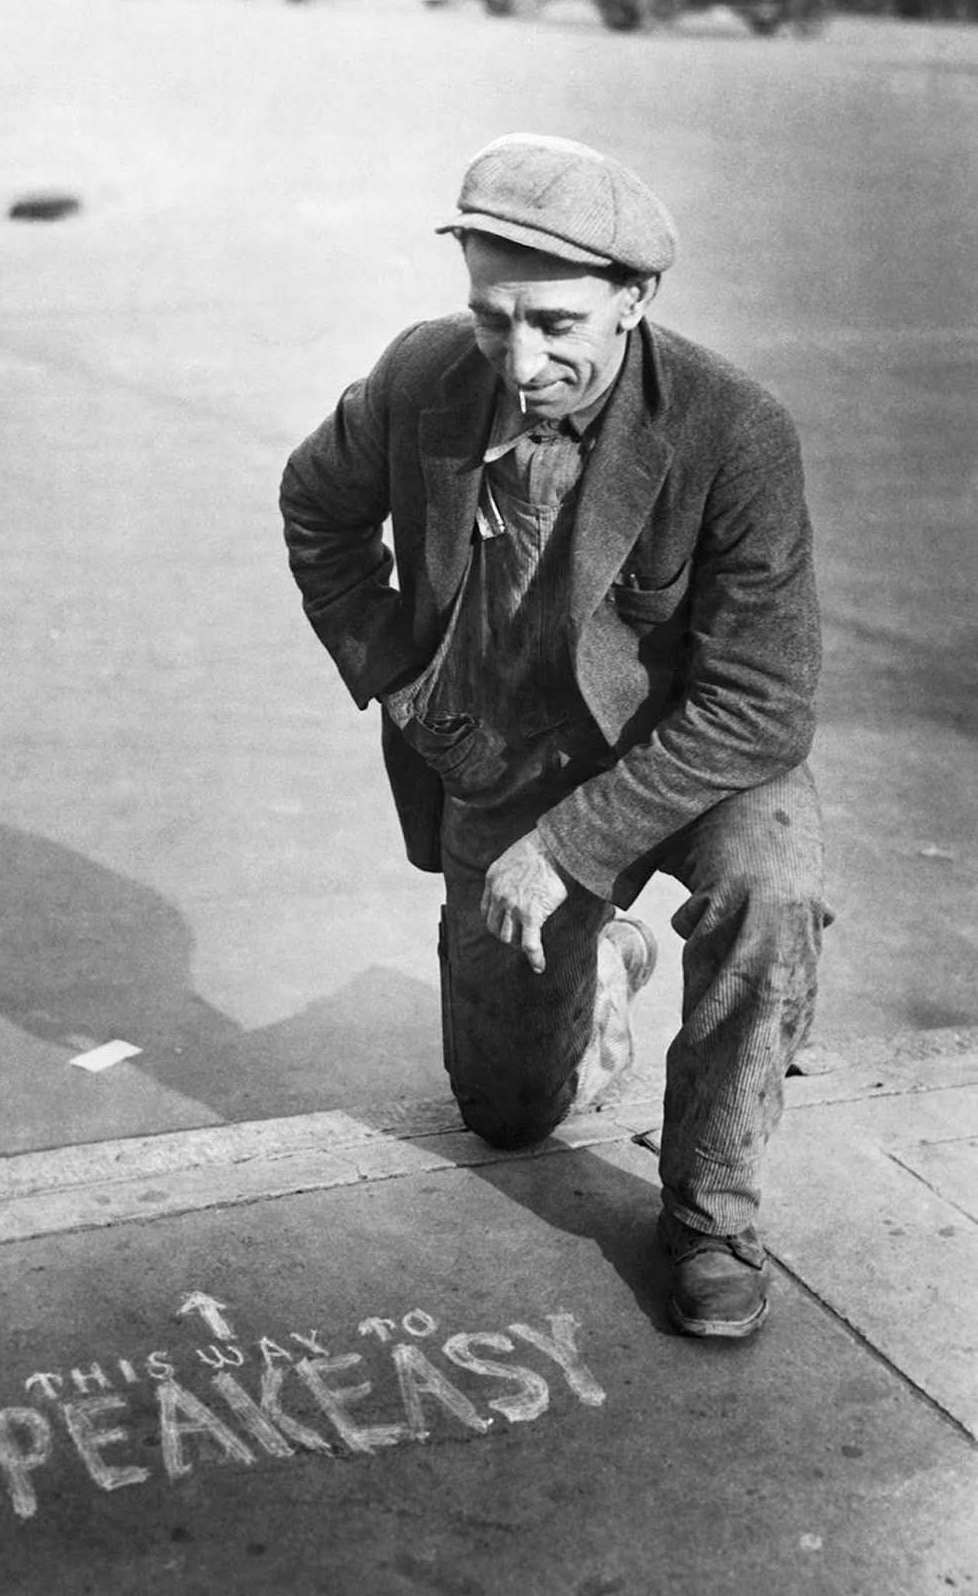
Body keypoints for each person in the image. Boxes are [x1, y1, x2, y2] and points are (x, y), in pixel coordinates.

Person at [280, 133, 829, 1340]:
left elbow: (760, 703)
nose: (519, 360)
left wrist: (570, 846)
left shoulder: (732, 430)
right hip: (501, 758)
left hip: (692, 762)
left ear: (632, 303)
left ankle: (711, 1211)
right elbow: (315, 508)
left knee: (770, 887)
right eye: (491, 318)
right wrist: (405, 684)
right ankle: (603, 967)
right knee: (505, 1117)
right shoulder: (420, 378)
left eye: (556, 323)